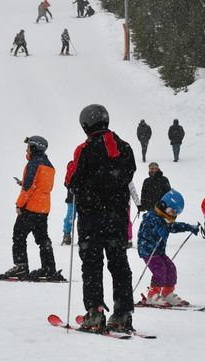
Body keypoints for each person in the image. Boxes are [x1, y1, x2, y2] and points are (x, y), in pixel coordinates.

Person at [65, 104, 136, 333]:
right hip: (116, 217)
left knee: (92, 265)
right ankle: (123, 313)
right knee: (119, 264)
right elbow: (128, 174)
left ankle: (95, 312)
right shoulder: (125, 148)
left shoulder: (84, 149)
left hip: (91, 218)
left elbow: (72, 182)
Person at [0, 136, 64, 281]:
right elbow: (41, 186)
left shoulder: (33, 164)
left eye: (28, 147)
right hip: (43, 209)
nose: (26, 149)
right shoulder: (49, 165)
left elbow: (28, 187)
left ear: (34, 148)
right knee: (43, 239)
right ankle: (49, 268)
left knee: (19, 236)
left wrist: (19, 204)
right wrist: (24, 183)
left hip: (30, 208)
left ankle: (21, 266)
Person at [137, 190, 199, 306]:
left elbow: (174, 227)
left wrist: (189, 227)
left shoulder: (165, 218)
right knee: (160, 270)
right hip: (148, 251)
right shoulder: (151, 217)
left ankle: (167, 293)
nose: (173, 214)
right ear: (163, 205)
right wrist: (159, 230)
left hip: (159, 251)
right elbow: (150, 229)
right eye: (172, 211)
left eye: (175, 213)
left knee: (170, 268)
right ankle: (152, 295)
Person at [127, 181, 140, 248]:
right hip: (112, 205)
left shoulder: (128, 178)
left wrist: (138, 204)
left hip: (125, 204)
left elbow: (133, 191)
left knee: (127, 221)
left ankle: (129, 240)